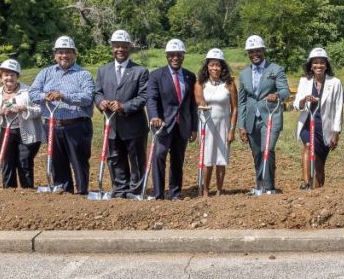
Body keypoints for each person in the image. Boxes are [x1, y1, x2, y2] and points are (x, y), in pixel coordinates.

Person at [28, 36, 95, 195]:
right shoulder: (46, 73)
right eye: (60, 52)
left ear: (75, 54)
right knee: (57, 162)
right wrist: (46, 96)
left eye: (68, 52)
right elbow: (33, 93)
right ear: (54, 55)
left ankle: (81, 192)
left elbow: (87, 97)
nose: (64, 56)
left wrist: (64, 96)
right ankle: (63, 192)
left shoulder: (83, 74)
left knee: (79, 161)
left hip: (76, 125)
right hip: (52, 124)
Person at [94, 30, 149, 198]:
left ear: (129, 47)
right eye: (117, 46)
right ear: (112, 47)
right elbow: (97, 93)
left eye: (124, 46)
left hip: (134, 125)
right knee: (115, 158)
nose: (120, 49)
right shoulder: (103, 70)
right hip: (112, 125)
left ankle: (135, 191)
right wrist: (101, 102)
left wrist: (123, 106)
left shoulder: (140, 71)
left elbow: (144, 96)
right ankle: (119, 190)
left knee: (136, 160)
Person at [237, 35, 290, 194]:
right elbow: (242, 101)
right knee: (257, 153)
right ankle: (260, 185)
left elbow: (285, 91)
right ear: (248, 53)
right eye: (251, 51)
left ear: (263, 50)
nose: (255, 54)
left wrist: (277, 96)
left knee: (268, 149)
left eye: (258, 50)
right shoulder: (244, 74)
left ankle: (269, 186)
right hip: (251, 119)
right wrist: (242, 126)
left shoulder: (275, 69)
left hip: (270, 115)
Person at [146, 38, 197, 200]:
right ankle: (158, 193)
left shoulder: (190, 76)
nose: (175, 58)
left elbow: (192, 104)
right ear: (166, 56)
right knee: (159, 156)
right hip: (163, 125)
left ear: (183, 56)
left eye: (179, 55)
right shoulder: (156, 75)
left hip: (182, 125)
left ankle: (175, 193)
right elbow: (151, 99)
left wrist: (194, 127)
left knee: (177, 160)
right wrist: (154, 116)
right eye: (171, 55)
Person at [0, 59, 43, 188]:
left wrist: (24, 109)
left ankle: (27, 193)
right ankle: (9, 193)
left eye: (12, 74)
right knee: (6, 164)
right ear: (1, 77)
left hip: (25, 131)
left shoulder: (29, 92)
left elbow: (40, 110)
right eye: (6, 75)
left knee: (24, 163)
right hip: (4, 131)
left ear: (17, 76)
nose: (9, 78)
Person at [294, 48, 343, 189]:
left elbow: (338, 108)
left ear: (326, 65)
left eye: (322, 62)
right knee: (308, 147)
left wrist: (336, 132)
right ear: (310, 65)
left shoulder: (335, 83)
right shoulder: (304, 81)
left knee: (319, 163)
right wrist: (304, 100)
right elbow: (297, 104)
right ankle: (306, 182)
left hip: (325, 127)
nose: (318, 66)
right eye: (315, 63)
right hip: (308, 123)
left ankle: (317, 191)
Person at [194, 48, 238, 196]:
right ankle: (205, 191)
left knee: (221, 159)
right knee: (207, 159)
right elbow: (199, 99)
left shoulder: (229, 84)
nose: (215, 68)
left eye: (218, 65)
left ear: (222, 67)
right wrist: (202, 103)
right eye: (212, 65)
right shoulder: (200, 83)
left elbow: (235, 108)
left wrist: (232, 129)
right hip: (206, 125)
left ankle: (219, 190)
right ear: (207, 66)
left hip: (223, 125)